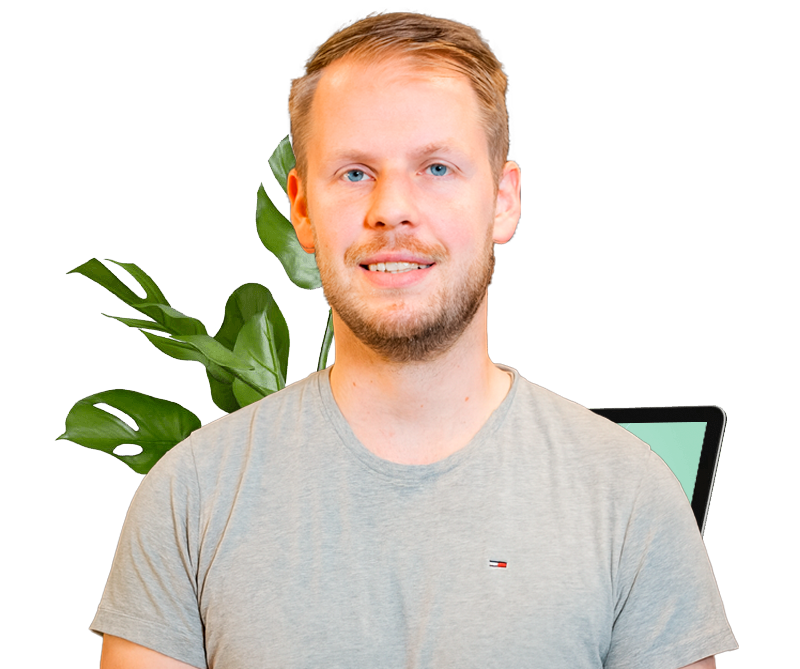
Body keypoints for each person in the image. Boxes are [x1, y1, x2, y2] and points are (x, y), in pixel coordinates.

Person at [91, 10, 738, 668]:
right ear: (303, 209)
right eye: (354, 173)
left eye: (436, 168)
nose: (392, 209)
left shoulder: (631, 495)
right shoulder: (188, 499)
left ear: (504, 200)